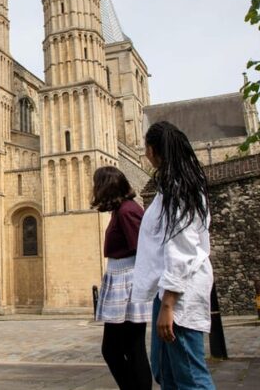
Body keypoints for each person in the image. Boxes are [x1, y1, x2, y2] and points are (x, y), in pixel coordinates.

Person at [132, 121, 215, 389]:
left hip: (178, 295)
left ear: (155, 150)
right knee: (165, 371)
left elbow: (183, 248)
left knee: (190, 376)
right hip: (165, 292)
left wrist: (169, 304)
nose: (144, 152)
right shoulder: (170, 187)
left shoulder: (179, 189)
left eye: (146, 147)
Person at [91, 166, 153, 390]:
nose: (94, 189)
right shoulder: (122, 210)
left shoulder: (127, 211)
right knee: (125, 348)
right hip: (122, 280)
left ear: (106, 186)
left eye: (97, 184)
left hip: (128, 284)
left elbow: (144, 250)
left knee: (124, 349)